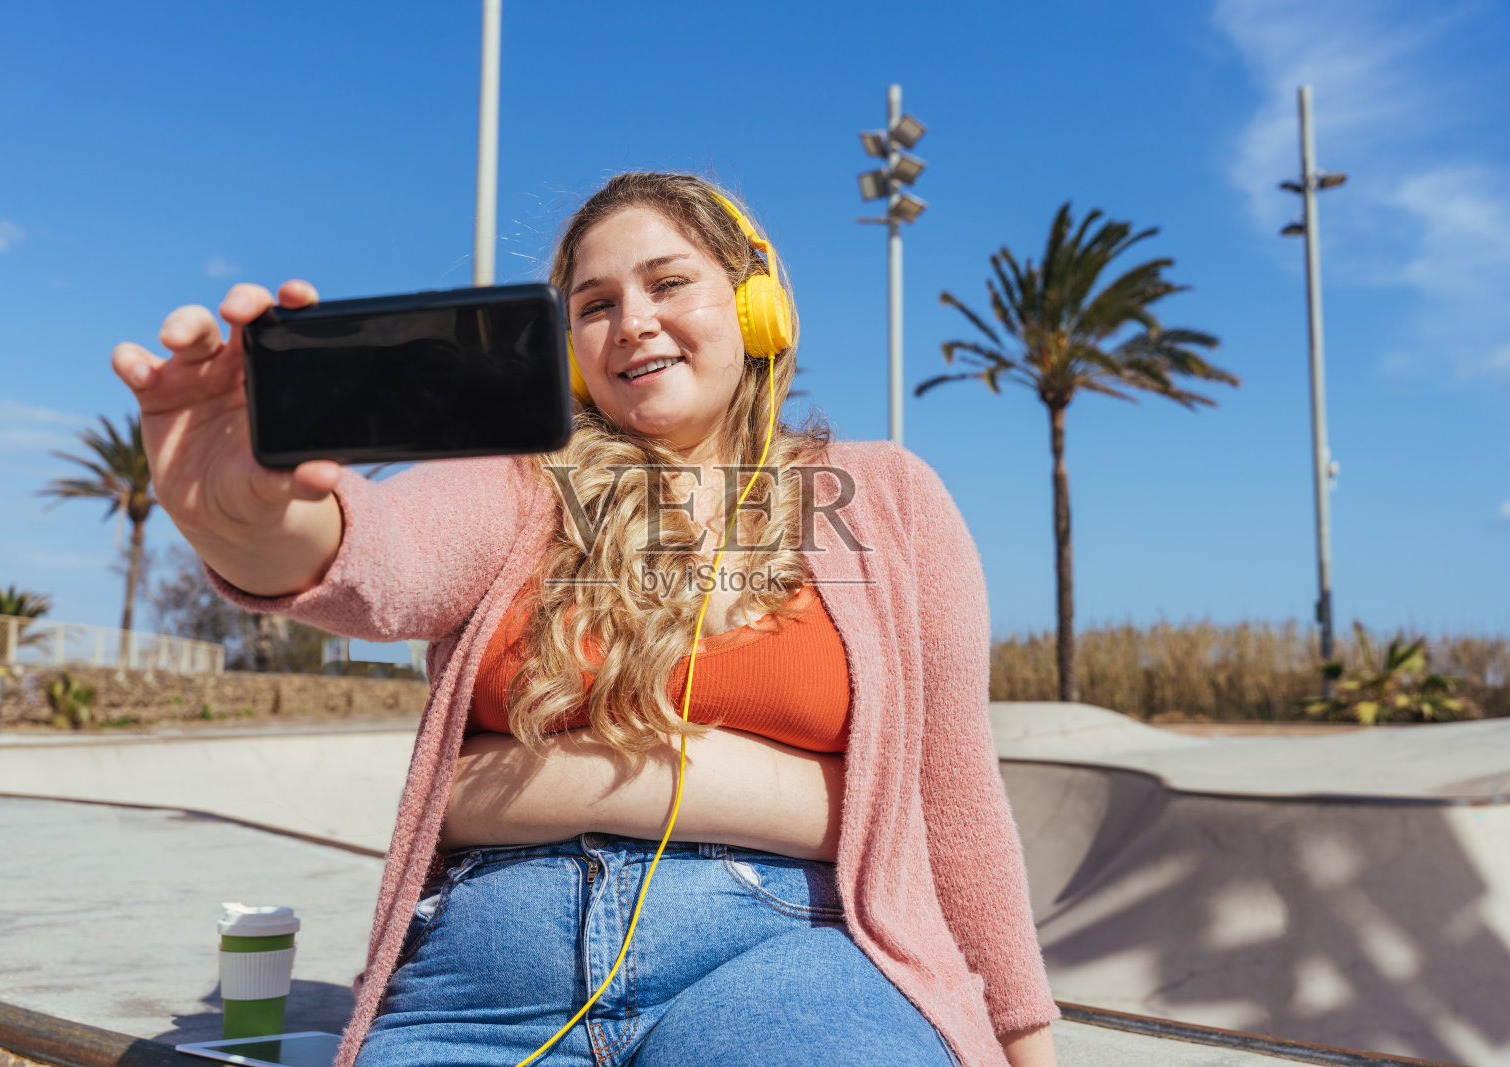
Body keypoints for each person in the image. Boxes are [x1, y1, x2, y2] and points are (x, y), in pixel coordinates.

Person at [111, 172, 1059, 1067]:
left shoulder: (883, 496)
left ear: (756, 304)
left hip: (787, 956)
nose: (631, 322)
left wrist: (1022, 1037)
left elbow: (957, 795)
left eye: (668, 282)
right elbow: (378, 562)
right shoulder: (521, 478)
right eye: (595, 303)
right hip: (486, 980)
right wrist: (249, 522)